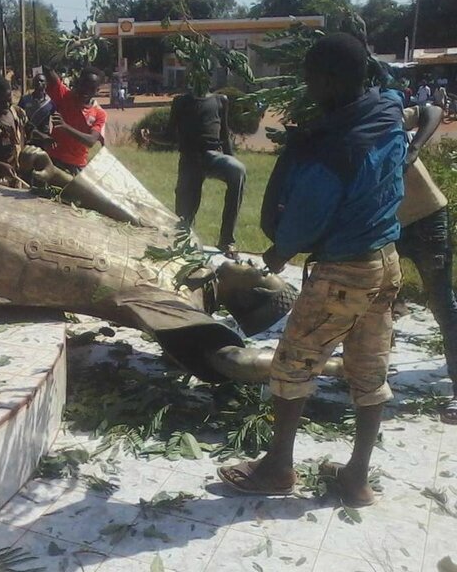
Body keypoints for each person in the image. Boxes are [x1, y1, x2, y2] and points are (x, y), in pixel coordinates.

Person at [218, 33, 406, 508]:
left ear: (329, 80)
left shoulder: (334, 152)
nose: (306, 85)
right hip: (386, 263)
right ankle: (356, 479)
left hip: (343, 274)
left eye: (311, 78)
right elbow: (393, 89)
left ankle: (278, 468)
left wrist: (280, 252)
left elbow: (305, 220)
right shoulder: (385, 110)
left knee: (292, 366)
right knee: (370, 370)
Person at [397, 103, 457, 424]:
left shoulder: (384, 110)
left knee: (442, 302)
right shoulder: (339, 124)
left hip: (426, 216)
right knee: (375, 294)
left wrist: (414, 148)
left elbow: (432, 110)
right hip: (387, 225)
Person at [141, 78, 246, 258]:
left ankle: (227, 240)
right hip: (189, 159)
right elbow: (171, 136)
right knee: (184, 214)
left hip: (213, 156)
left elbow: (224, 135)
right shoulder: (181, 102)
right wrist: (151, 136)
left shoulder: (220, 101)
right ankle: (184, 240)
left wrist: (230, 158)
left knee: (238, 170)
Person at [42, 65, 107, 176]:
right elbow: (48, 68)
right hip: (53, 160)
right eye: (84, 85)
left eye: (91, 88)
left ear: (97, 90)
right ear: (78, 82)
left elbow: (91, 141)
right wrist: (65, 51)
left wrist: (65, 127)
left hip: (77, 166)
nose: (86, 91)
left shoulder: (99, 113)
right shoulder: (64, 95)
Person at [18, 73, 55, 141]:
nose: (39, 82)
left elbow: (55, 121)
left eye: (41, 81)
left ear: (46, 84)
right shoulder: (25, 99)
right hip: (28, 136)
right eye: (36, 81)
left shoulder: (51, 103)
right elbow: (18, 116)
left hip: (44, 138)